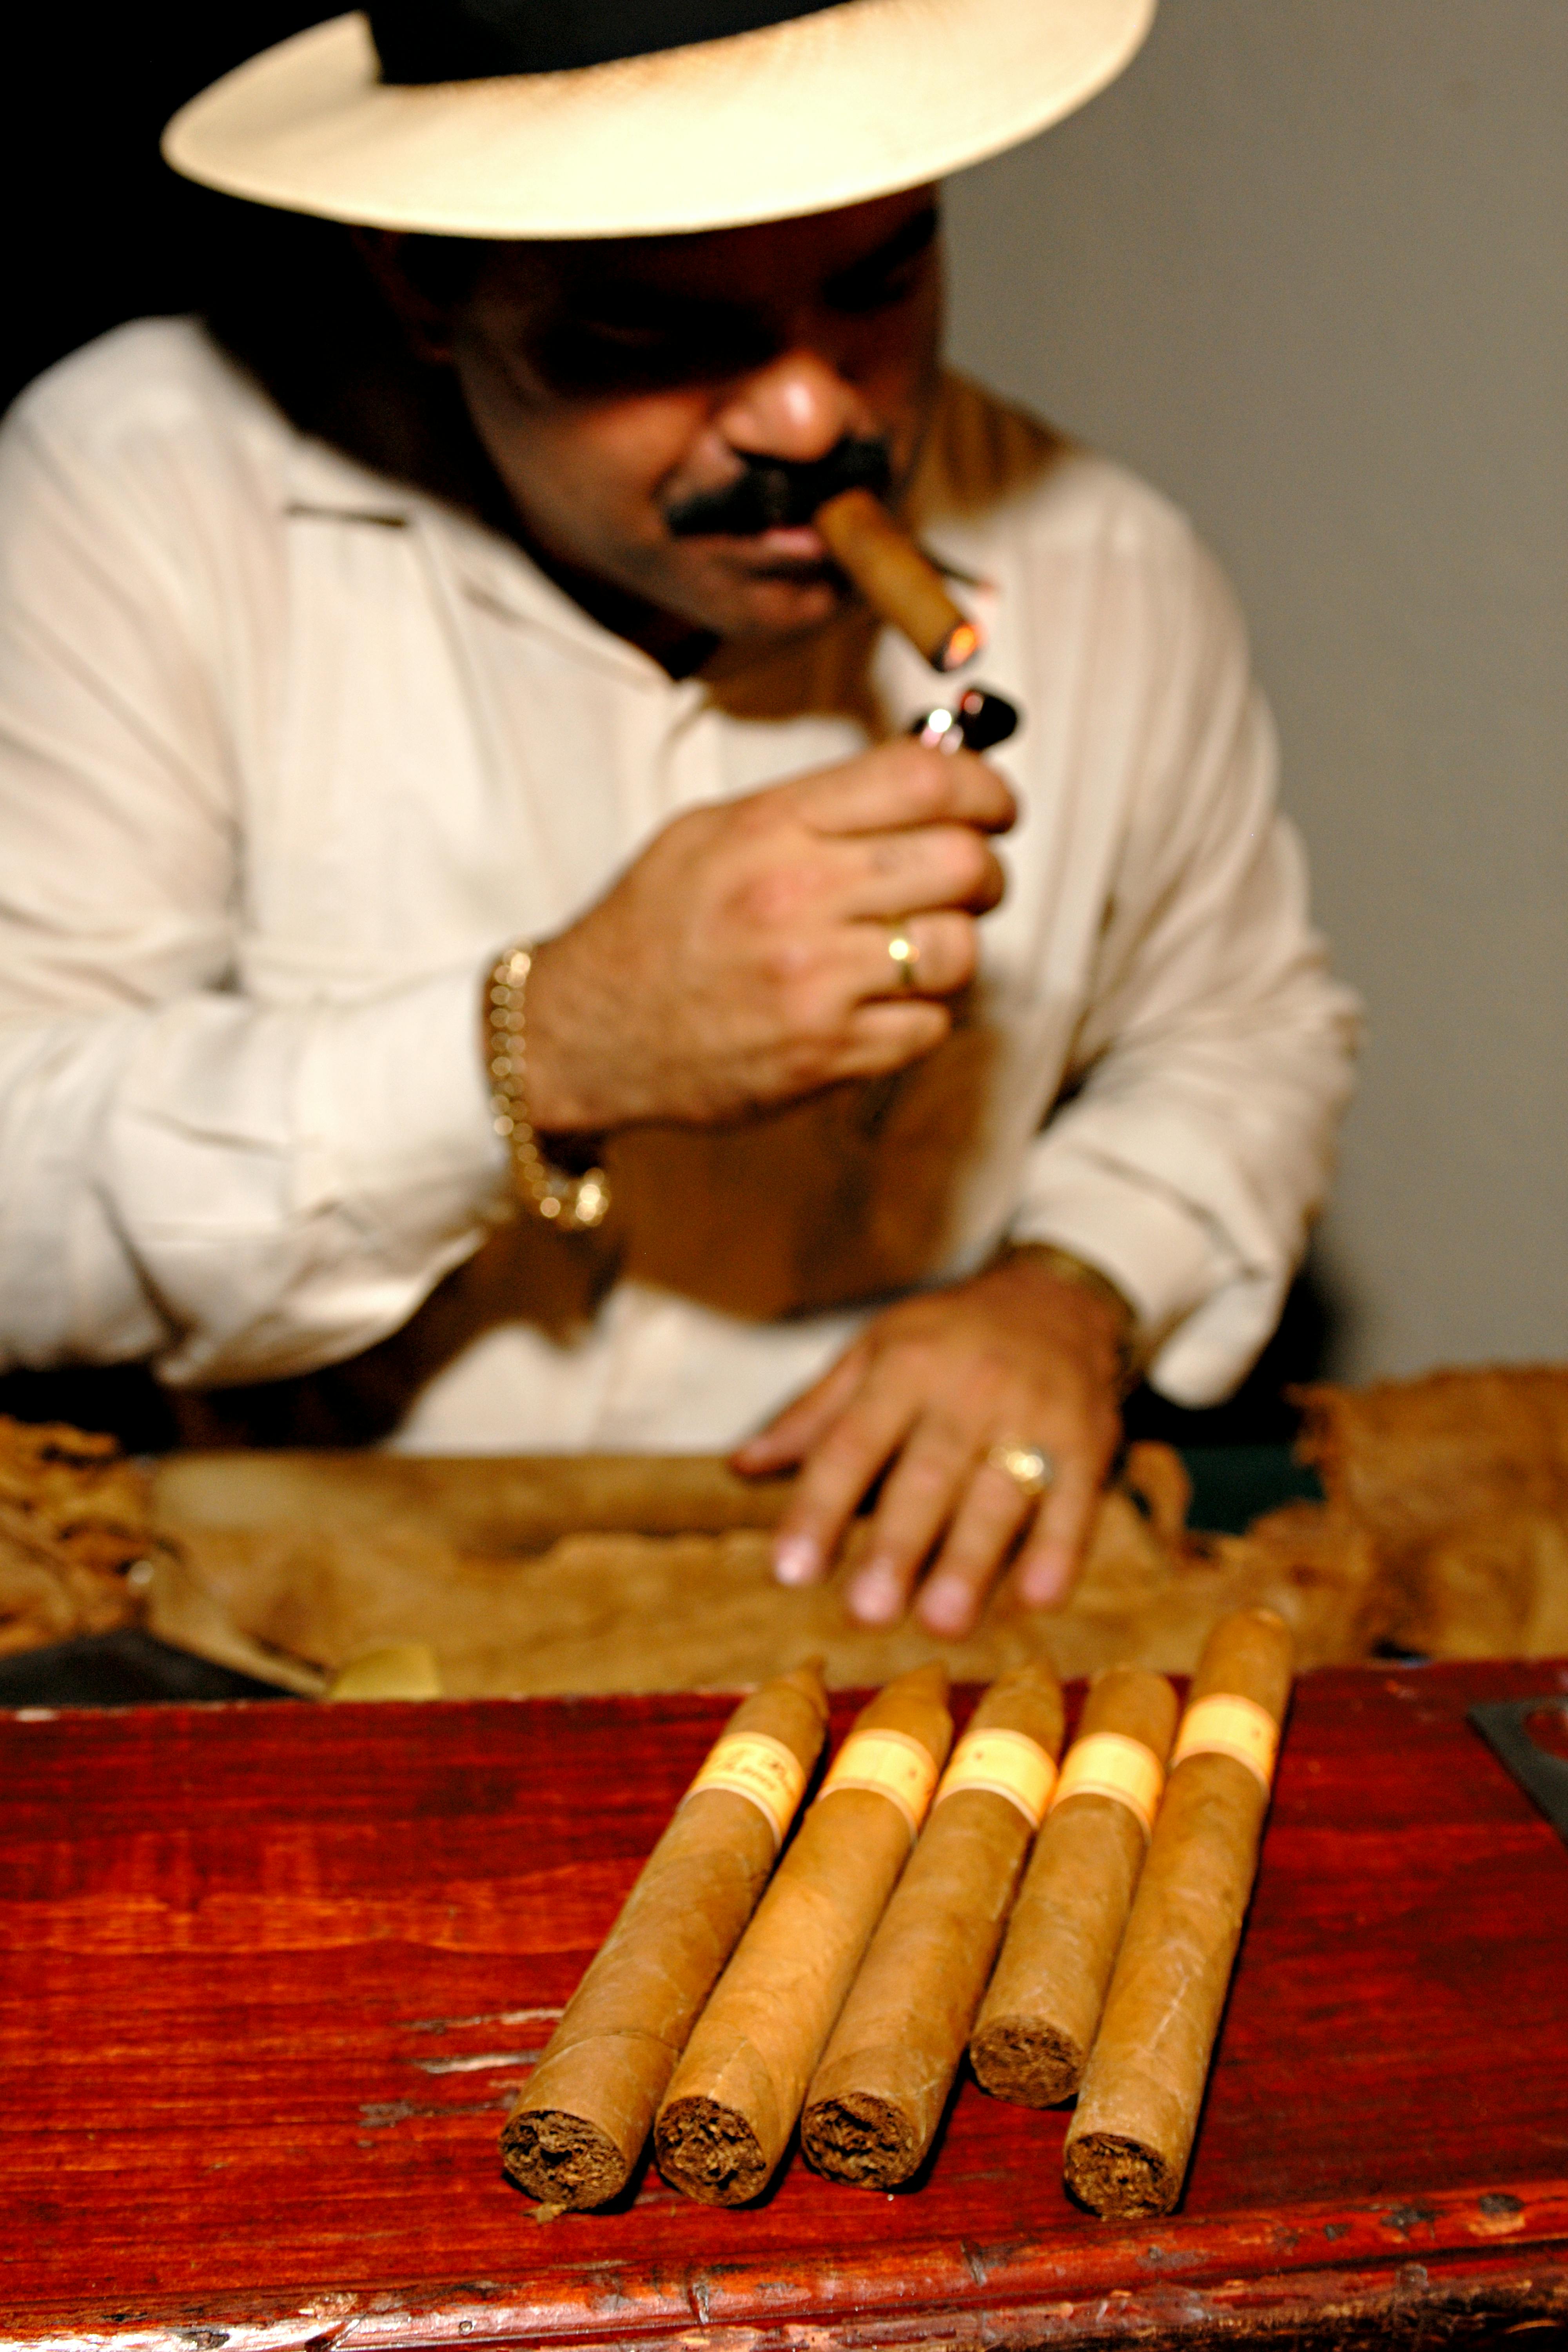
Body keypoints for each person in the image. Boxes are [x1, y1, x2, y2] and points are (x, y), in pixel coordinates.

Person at [0, 0, 1357, 1639]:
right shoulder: (147, 494)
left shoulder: (1110, 573)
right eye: (653, 338)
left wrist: (1072, 1288)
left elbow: (1245, 1028)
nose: (809, 421)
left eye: (878, 283)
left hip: (880, 1600)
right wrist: (541, 1048)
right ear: (416, 280)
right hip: (265, 1610)